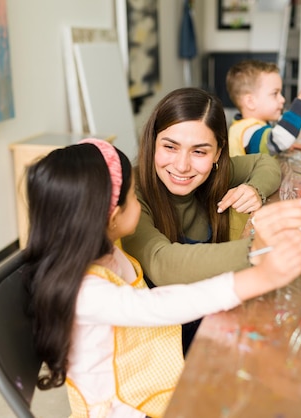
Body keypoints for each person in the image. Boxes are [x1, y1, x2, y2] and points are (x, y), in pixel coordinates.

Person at [23, 139, 301, 418]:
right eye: (132, 197)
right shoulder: (86, 292)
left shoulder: (106, 248)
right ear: (112, 217)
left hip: (152, 380)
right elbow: (160, 305)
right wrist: (261, 277)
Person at [120, 87, 284, 353]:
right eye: (170, 147)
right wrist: (256, 249)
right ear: (152, 143)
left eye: (199, 152)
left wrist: (255, 189)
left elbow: (265, 163)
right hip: (163, 344)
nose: (182, 166)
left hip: (210, 317)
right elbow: (162, 264)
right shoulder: (131, 194)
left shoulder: (214, 174)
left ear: (218, 153)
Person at [225, 59, 301, 157]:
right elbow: (279, 140)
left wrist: (278, 147)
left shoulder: (244, 125)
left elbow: (269, 144)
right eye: (275, 93)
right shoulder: (248, 132)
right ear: (250, 102)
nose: (282, 99)